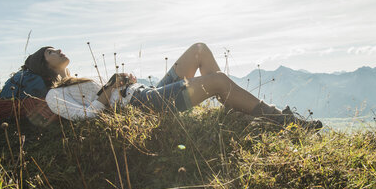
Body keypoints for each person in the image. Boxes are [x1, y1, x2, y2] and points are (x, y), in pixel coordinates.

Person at [36, 43, 321, 130]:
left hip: (146, 93)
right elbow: (89, 115)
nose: (58, 50)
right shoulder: (53, 96)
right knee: (219, 81)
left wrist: (122, 83)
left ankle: (233, 104)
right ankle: (278, 118)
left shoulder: (78, 79)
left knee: (199, 50)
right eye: (50, 51)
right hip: (144, 106)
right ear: (42, 63)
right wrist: (109, 88)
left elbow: (108, 96)